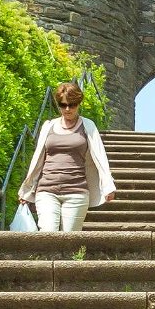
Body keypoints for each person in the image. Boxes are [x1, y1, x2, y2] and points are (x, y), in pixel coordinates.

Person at [17, 82, 116, 233]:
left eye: (72, 104)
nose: (68, 109)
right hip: (46, 190)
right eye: (63, 105)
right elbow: (37, 160)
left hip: (77, 192)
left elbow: (100, 157)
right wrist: (27, 189)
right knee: (48, 233)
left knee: (70, 240)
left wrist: (108, 185)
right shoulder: (48, 126)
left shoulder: (88, 126)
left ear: (79, 103)